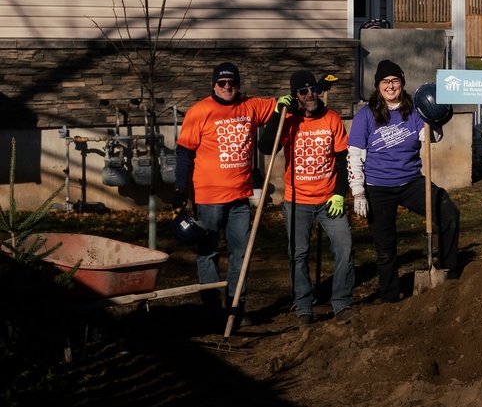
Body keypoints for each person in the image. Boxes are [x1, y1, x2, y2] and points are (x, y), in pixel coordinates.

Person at [173, 62, 284, 324]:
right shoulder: (200, 112)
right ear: (213, 85)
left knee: (241, 254)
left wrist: (308, 91)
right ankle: (212, 311)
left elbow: (280, 105)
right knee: (208, 253)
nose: (227, 87)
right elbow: (184, 153)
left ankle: (236, 308)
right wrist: (180, 188)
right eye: (221, 83)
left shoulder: (250, 106)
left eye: (231, 82)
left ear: (238, 84)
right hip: (208, 198)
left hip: (240, 198)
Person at [348, 60, 459, 303]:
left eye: (395, 81)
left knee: (448, 212)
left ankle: (449, 273)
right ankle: (390, 296)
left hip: (411, 183)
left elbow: (430, 137)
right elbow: (354, 155)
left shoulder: (414, 111)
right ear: (378, 85)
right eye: (385, 81)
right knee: (385, 247)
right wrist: (358, 192)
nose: (390, 86)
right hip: (378, 188)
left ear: (402, 83)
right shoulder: (366, 115)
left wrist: (435, 118)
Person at [263, 70, 354, 326]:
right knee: (298, 254)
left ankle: (341, 302)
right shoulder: (289, 121)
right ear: (295, 96)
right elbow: (266, 147)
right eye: (303, 91)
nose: (310, 94)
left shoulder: (332, 118)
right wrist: (277, 114)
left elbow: (342, 159)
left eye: (313, 89)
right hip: (297, 200)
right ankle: (303, 305)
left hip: (329, 199)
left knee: (345, 247)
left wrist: (340, 193)